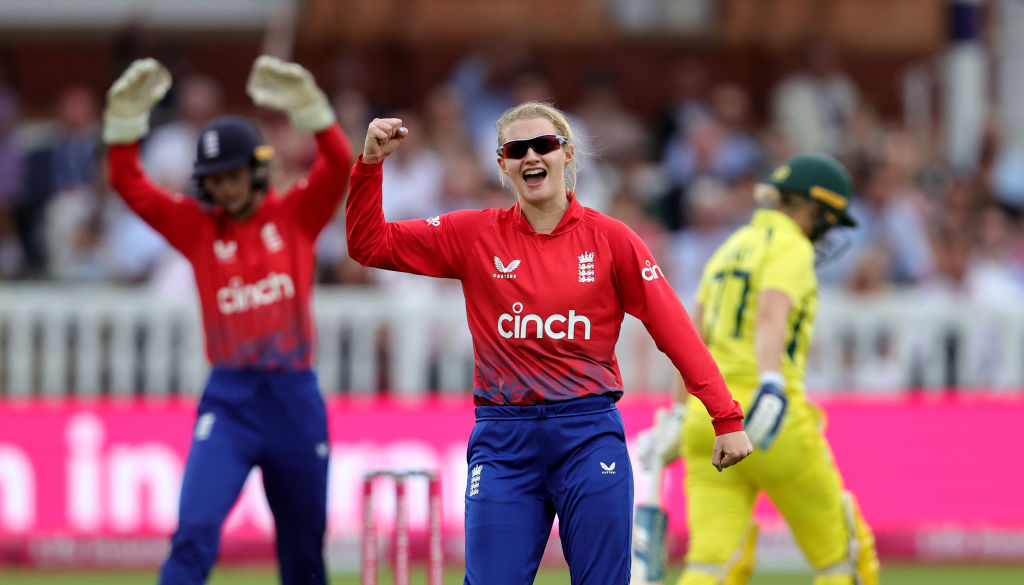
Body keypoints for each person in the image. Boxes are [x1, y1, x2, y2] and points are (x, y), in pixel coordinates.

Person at [346, 101, 753, 585]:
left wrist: (724, 416)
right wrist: (370, 163)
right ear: (502, 164)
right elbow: (366, 243)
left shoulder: (613, 240)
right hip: (503, 439)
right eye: (517, 149)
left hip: (587, 435)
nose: (531, 156)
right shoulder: (472, 234)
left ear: (567, 154)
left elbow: (674, 331)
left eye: (544, 145)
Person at [102, 55, 353, 585]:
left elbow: (337, 163)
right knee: (194, 531)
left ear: (257, 169)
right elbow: (128, 181)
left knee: (304, 553)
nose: (227, 188)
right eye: (216, 180)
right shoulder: (197, 228)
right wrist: (124, 123)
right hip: (230, 402)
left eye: (235, 175)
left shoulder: (295, 217)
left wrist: (312, 110)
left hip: (294, 401)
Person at [636, 154, 880, 585]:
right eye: (828, 219)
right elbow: (772, 313)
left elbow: (689, 338)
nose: (827, 231)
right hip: (771, 419)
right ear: (813, 208)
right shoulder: (791, 246)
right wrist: (770, 382)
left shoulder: (731, 245)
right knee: (842, 557)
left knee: (711, 565)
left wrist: (677, 413)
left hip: (707, 420)